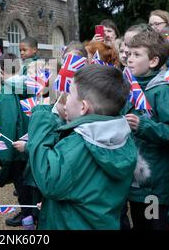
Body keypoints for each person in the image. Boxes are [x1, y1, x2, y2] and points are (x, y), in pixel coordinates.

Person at [27, 65, 137, 229]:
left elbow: (49, 180)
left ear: (83, 107)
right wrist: (53, 207)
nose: (66, 98)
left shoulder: (79, 143)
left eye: (70, 93)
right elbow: (86, 187)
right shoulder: (122, 137)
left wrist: (42, 114)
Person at [124, 31, 169, 230]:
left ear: (153, 61)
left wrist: (143, 126)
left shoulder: (162, 91)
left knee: (154, 226)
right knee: (140, 225)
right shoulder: (130, 89)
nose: (129, 59)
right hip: (136, 184)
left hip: (156, 187)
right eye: (129, 54)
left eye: (137, 54)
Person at [0, 53, 32, 228]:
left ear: (0, 69)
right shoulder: (27, 85)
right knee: (27, 183)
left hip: (15, 148)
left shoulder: (6, 91)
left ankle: (27, 214)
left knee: (21, 185)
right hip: (27, 142)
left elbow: (7, 123)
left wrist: (4, 156)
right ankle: (30, 212)